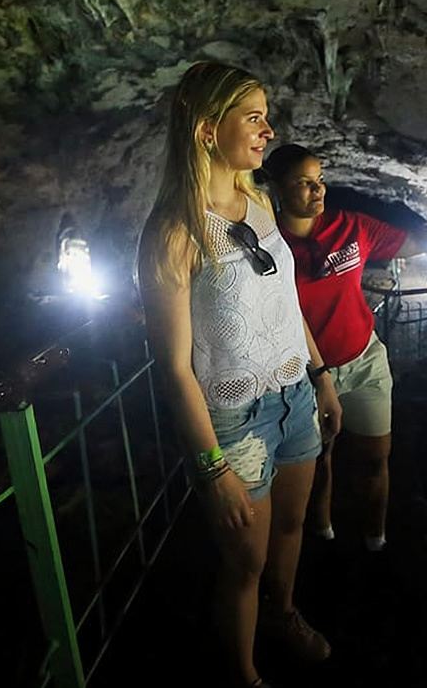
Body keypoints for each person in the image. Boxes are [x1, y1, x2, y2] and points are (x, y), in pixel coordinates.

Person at [137, 63, 342, 688]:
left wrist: (321, 375)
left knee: (289, 527)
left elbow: (285, 300)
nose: (267, 128)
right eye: (252, 116)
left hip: (294, 394)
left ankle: (282, 616)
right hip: (235, 418)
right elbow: (173, 367)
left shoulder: (258, 201)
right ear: (206, 129)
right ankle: (244, 674)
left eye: (264, 114)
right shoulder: (173, 233)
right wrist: (211, 468)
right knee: (244, 562)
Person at [260, 143, 427, 553]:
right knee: (320, 459)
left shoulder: (351, 227)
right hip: (303, 373)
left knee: (375, 458)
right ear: (276, 188)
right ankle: (323, 534)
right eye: (304, 184)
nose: (318, 191)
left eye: (321, 181)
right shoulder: (267, 246)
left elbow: (418, 239)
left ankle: (376, 538)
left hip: (363, 361)